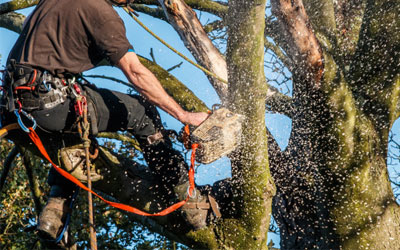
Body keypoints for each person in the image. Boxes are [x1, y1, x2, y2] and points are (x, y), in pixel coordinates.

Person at [0, 0, 231, 247]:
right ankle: (190, 202)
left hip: (15, 106)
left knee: (80, 124)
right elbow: (135, 72)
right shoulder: (100, 12)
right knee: (142, 112)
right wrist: (184, 116)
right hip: (49, 103)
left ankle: (56, 208)